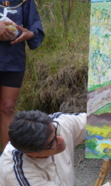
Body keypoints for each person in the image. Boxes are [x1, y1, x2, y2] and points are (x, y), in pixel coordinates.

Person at [0, 110, 111, 185]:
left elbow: (95, 122)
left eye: (56, 131)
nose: (61, 140)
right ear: (32, 153)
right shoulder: (19, 174)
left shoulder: (58, 123)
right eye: (52, 143)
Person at [0, 0, 44, 152]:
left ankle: (7, 161)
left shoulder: (25, 1)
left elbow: (35, 27)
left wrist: (29, 34)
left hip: (13, 60)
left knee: (7, 108)